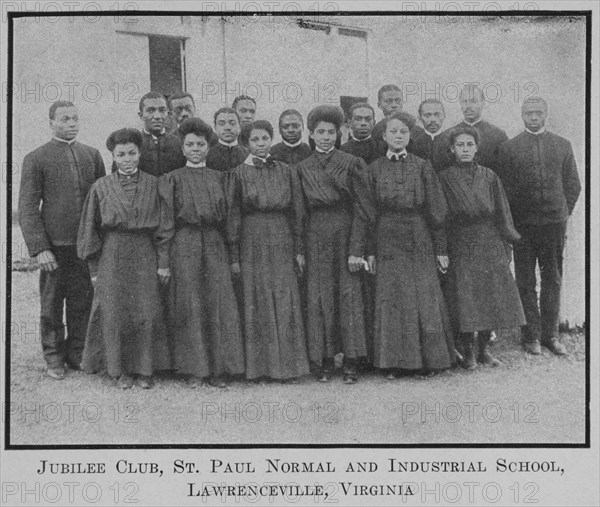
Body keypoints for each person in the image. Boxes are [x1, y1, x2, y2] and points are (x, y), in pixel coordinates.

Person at [349, 111, 455, 378]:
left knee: (423, 296)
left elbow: (437, 211)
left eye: (403, 132)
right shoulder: (372, 169)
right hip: (386, 237)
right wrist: (368, 251)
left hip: (419, 236)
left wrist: (440, 249)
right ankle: (393, 363)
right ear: (384, 136)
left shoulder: (423, 166)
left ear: (409, 136)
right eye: (393, 131)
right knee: (392, 298)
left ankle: (430, 361)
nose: (398, 136)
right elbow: (366, 214)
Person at [77, 128, 171, 389]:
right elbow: (90, 230)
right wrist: (94, 269)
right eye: (121, 154)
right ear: (114, 157)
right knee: (116, 311)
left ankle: (145, 369)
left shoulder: (155, 184)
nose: (127, 159)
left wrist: (163, 262)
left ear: (139, 154)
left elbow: (164, 228)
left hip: (144, 251)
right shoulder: (101, 186)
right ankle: (120, 369)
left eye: (132, 153)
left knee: (146, 309)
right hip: (113, 252)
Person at [18, 100, 105, 380]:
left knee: (82, 301)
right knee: (52, 303)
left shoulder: (91, 155)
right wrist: (40, 248)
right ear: (51, 122)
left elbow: (103, 201)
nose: (72, 123)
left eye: (75, 118)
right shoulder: (37, 158)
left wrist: (99, 243)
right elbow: (28, 207)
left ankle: (77, 352)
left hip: (83, 245)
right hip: (54, 247)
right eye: (65, 119)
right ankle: (53, 356)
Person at [161, 118, 244, 388]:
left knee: (219, 303)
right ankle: (194, 368)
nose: (195, 148)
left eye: (200, 144)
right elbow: (165, 223)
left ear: (209, 147)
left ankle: (220, 368)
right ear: (182, 148)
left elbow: (230, 220)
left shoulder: (221, 178)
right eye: (190, 144)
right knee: (190, 303)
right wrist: (164, 261)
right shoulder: (171, 179)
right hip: (184, 244)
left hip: (215, 242)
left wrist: (232, 257)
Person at [497, 97, 581, 356]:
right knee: (525, 280)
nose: (534, 117)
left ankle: (551, 335)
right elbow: (505, 192)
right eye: (529, 113)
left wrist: (561, 213)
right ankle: (530, 335)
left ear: (546, 114)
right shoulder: (510, 148)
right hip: (523, 226)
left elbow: (573, 185)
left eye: (538, 113)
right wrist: (512, 224)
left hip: (553, 224)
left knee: (552, 278)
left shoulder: (562, 145)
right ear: (522, 116)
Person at [227, 120, 309, 381]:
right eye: (254, 140)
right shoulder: (237, 173)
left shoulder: (286, 171)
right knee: (256, 296)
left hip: (282, 236)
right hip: (252, 239)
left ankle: (290, 367)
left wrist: (298, 248)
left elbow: (297, 212)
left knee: (285, 296)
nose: (260, 144)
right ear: (246, 144)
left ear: (271, 140)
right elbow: (233, 216)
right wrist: (234, 255)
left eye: (264, 139)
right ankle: (260, 367)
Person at [439, 126, 526, 368]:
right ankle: (467, 349)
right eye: (460, 145)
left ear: (476, 148)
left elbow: (502, 210)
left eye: (469, 145)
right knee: (466, 297)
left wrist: (507, 241)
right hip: (461, 240)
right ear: (452, 149)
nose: (465, 149)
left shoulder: (489, 176)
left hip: (489, 239)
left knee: (490, 294)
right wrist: (443, 249)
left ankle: (484, 349)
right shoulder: (444, 178)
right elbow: (441, 217)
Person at [296, 105, 368, 383]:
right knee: (320, 297)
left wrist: (356, 250)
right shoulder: (301, 168)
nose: (325, 137)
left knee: (348, 296)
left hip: (345, 231)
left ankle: (351, 360)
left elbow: (362, 209)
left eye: (331, 132)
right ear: (311, 135)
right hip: (316, 235)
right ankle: (324, 359)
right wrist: (300, 250)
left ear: (339, 134)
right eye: (320, 132)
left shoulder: (351, 163)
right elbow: (300, 213)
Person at [440, 85, 508, 171]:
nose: (468, 106)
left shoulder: (498, 135)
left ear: (483, 103)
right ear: (460, 104)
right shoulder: (447, 135)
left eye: (473, 101)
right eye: (464, 101)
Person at [136, 91, 186, 177]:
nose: (157, 116)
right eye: (150, 111)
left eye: (162, 110)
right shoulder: (135, 144)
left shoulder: (178, 143)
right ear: (141, 115)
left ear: (168, 114)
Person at [371, 84, 424, 156]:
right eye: (389, 101)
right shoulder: (376, 130)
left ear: (402, 103)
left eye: (398, 101)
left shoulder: (417, 130)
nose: (394, 105)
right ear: (379, 105)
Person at [410, 98, 450, 172]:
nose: (433, 119)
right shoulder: (415, 143)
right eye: (427, 115)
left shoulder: (451, 141)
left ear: (444, 116)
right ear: (420, 118)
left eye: (437, 115)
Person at [205, 107, 249, 172]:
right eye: (221, 124)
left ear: (239, 127)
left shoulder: (247, 154)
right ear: (215, 128)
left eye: (232, 123)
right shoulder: (208, 155)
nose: (227, 128)